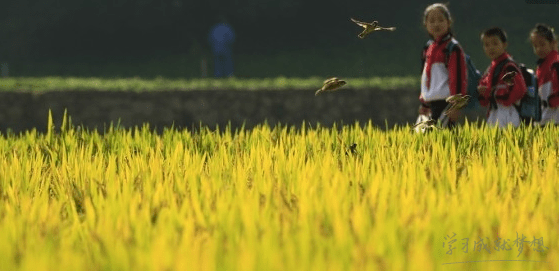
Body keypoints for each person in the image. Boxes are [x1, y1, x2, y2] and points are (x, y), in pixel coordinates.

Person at [417, 3, 467, 129]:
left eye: (440, 20)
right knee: (424, 141)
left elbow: (458, 77)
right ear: (426, 25)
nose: (436, 24)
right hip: (430, 104)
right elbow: (425, 78)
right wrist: (424, 103)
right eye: (432, 21)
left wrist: (456, 105)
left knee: (443, 140)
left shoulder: (452, 48)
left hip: (446, 104)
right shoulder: (427, 48)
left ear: (449, 22)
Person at [477, 27, 526, 128]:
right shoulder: (491, 69)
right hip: (494, 112)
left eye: (495, 43)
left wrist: (494, 93)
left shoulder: (509, 66)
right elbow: (484, 96)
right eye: (487, 45)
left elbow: (520, 89)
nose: (491, 48)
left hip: (508, 111)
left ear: (504, 45)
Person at [530, 23, 559, 125]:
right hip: (545, 112)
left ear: (552, 43)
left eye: (542, 44)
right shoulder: (541, 65)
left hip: (555, 113)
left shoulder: (555, 63)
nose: (538, 49)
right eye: (535, 46)